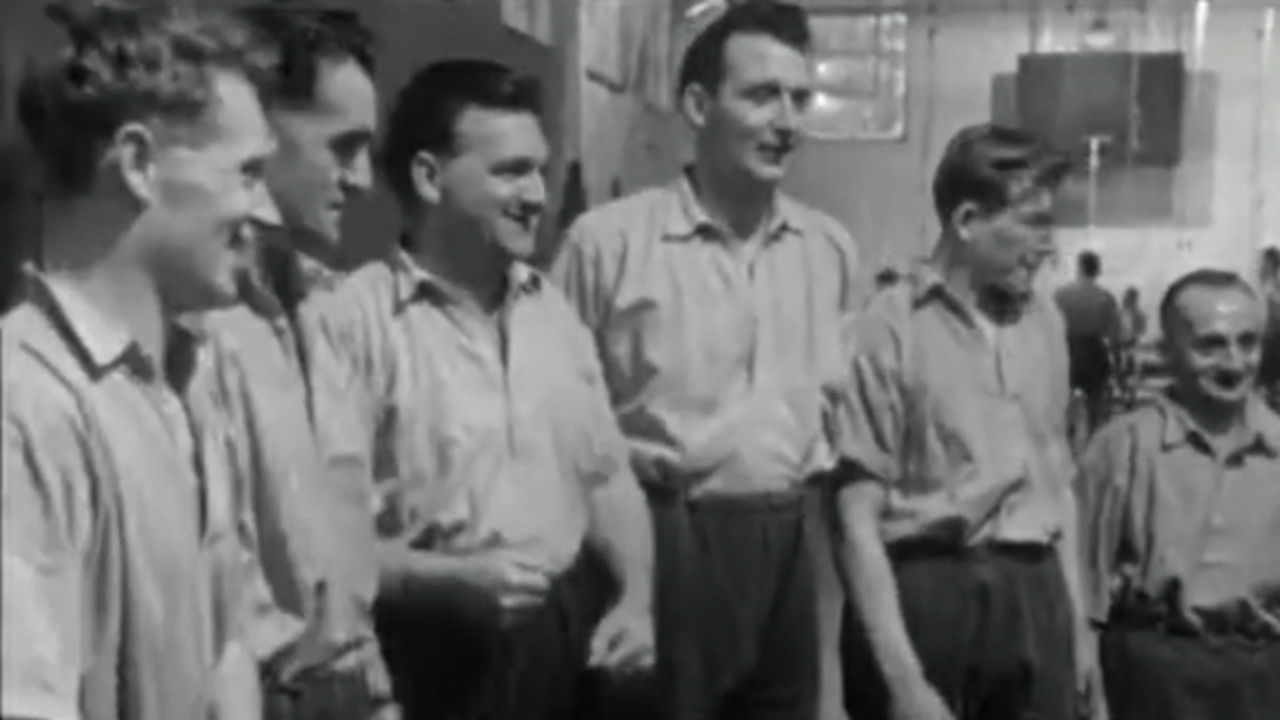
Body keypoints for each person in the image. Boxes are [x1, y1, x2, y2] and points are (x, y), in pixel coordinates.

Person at [317, 60, 655, 720]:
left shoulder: (554, 313)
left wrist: (637, 599)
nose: (537, 195)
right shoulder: (353, 323)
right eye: (511, 172)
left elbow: (608, 477)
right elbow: (327, 544)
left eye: (540, 171)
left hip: (564, 648)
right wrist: (445, 584)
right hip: (428, 655)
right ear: (429, 178)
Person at [554, 3, 859, 718]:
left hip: (789, 540)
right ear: (697, 105)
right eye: (762, 96)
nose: (786, 121)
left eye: (799, 99)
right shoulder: (607, 245)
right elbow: (553, 419)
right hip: (661, 536)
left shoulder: (828, 251)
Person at [1, 5, 282, 719]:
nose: (268, 212)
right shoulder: (23, 405)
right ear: (137, 164)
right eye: (248, 173)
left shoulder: (191, 382)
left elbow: (228, 650)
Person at [827, 124, 1091, 720]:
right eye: (1034, 223)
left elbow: (1060, 489)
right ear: (968, 221)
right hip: (929, 598)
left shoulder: (1045, 322)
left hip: (1035, 592)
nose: (1049, 246)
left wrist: (1077, 630)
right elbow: (854, 520)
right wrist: (904, 682)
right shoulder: (889, 327)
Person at [195, 4, 395, 718]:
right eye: (343, 148)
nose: (362, 178)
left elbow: (347, 545)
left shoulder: (324, 308)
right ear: (262, 127)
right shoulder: (204, 327)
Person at [1076, 268, 1280, 720]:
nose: (1233, 363)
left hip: (1260, 679)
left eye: (1248, 343)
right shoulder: (1122, 448)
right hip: (1154, 675)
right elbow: (1082, 588)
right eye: (1210, 345)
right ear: (1168, 351)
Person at [1055, 250, 1122, 430]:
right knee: (1096, 407)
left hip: (1067, 352)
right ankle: (1093, 436)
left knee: (1063, 404)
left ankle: (1067, 437)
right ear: (1097, 270)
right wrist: (1117, 365)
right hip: (1093, 353)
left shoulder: (1061, 295)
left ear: (1079, 268)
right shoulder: (1105, 297)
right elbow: (1114, 336)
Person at [1117, 286, 1147, 404]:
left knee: (1130, 370)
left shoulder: (1137, 313)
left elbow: (1141, 329)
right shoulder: (1120, 312)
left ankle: (1130, 396)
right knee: (1123, 370)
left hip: (1130, 344)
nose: (1125, 299)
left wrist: (1133, 335)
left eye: (1128, 297)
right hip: (1121, 344)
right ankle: (1126, 394)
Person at [1259, 247, 1280, 408]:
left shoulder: (1274, 284)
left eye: (1263, 263)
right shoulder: (1268, 282)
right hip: (1270, 332)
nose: (1260, 266)